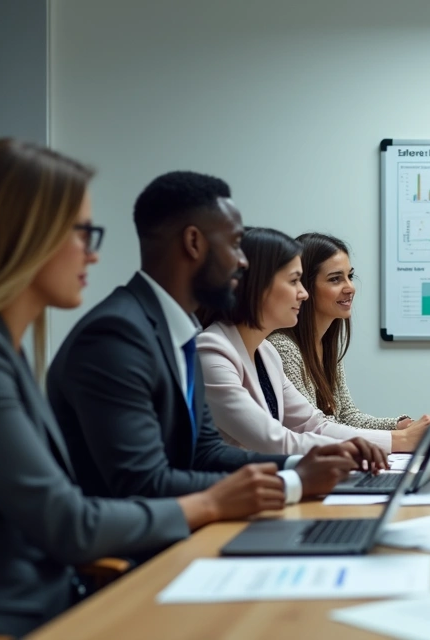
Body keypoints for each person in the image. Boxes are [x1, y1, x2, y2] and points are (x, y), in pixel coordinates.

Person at [0, 140, 287, 637]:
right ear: (26, 235)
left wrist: (294, 473)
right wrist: (215, 502)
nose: (93, 254)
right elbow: (69, 522)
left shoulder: (7, 349)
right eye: (82, 233)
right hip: (19, 621)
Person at [48, 171, 382, 506]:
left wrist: (302, 466)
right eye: (235, 244)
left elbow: (205, 453)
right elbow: (144, 482)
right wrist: (292, 482)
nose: (241, 262)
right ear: (194, 243)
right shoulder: (117, 335)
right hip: (143, 550)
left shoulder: (175, 330)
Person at [197, 228, 427, 454]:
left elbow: (315, 425)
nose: (303, 293)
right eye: (294, 281)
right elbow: (275, 441)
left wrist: (398, 437)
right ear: (257, 285)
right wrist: (398, 440)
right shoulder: (211, 354)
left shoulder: (265, 352)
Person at [267, 232, 430, 433]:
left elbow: (347, 415)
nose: (350, 288)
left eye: (350, 276)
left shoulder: (328, 345)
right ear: (305, 287)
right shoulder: (283, 348)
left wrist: (400, 425)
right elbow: (316, 428)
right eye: (335, 279)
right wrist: (399, 437)